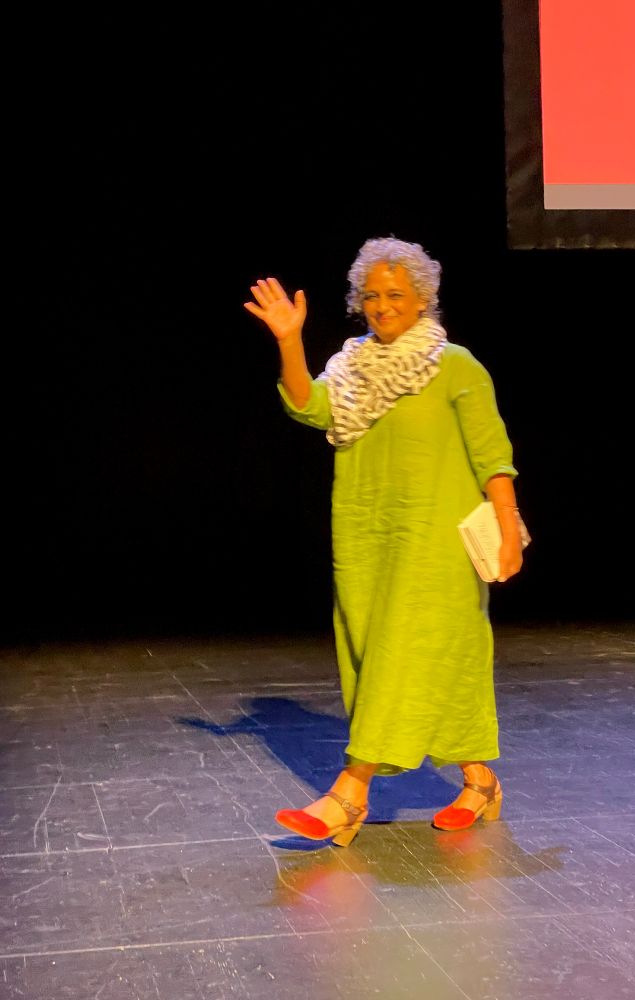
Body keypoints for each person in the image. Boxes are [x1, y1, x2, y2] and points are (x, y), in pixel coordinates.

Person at [244, 237, 524, 845]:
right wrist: (290, 341)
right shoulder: (351, 370)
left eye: (395, 293)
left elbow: (492, 455)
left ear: (424, 298)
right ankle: (480, 780)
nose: (382, 304)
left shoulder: (457, 366)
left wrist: (508, 527)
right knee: (383, 661)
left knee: (402, 655)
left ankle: (350, 795)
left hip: (437, 546)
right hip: (366, 537)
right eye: (371, 295)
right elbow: (307, 407)